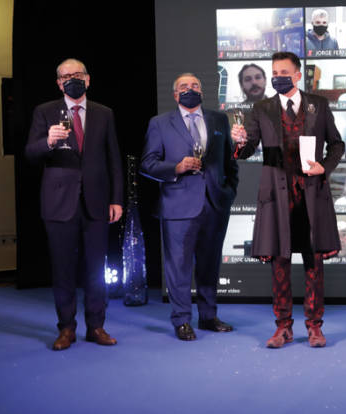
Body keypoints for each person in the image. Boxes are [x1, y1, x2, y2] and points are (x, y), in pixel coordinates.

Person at [231, 51, 344, 348]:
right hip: (277, 194)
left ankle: (314, 327)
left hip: (311, 194)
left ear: (297, 74)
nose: (277, 77)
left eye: (283, 72)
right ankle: (283, 327)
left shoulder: (317, 105)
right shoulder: (262, 108)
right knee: (279, 263)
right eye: (274, 72)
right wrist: (240, 142)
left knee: (313, 263)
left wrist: (325, 167)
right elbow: (248, 148)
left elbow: (337, 144)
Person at [24, 58, 123, 351]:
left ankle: (96, 326)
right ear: (58, 83)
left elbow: (113, 159)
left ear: (88, 79)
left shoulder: (104, 113)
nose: (72, 79)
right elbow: (30, 153)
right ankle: (66, 328)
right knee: (63, 269)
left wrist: (116, 198)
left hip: (96, 202)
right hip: (58, 202)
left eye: (77, 74)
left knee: (96, 269)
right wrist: (48, 142)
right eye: (66, 76)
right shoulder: (44, 112)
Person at [141, 73, 239, 341]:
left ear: (202, 91)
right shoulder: (160, 123)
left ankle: (208, 317)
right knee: (179, 267)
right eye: (184, 87)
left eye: (195, 85)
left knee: (209, 265)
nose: (190, 89)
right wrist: (176, 167)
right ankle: (182, 320)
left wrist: (228, 192)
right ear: (175, 95)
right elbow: (147, 163)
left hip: (214, 204)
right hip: (177, 206)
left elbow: (230, 163)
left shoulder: (219, 119)